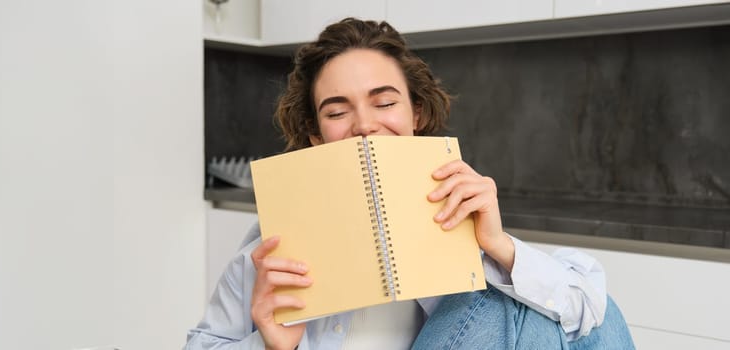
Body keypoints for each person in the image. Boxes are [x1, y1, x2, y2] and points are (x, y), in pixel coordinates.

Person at [186, 18, 634, 350]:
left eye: (384, 102)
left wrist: (498, 247)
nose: (365, 126)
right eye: (337, 112)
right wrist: (270, 345)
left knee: (573, 309)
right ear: (316, 135)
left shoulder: (456, 221)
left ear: (415, 115)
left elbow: (591, 311)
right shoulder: (271, 255)